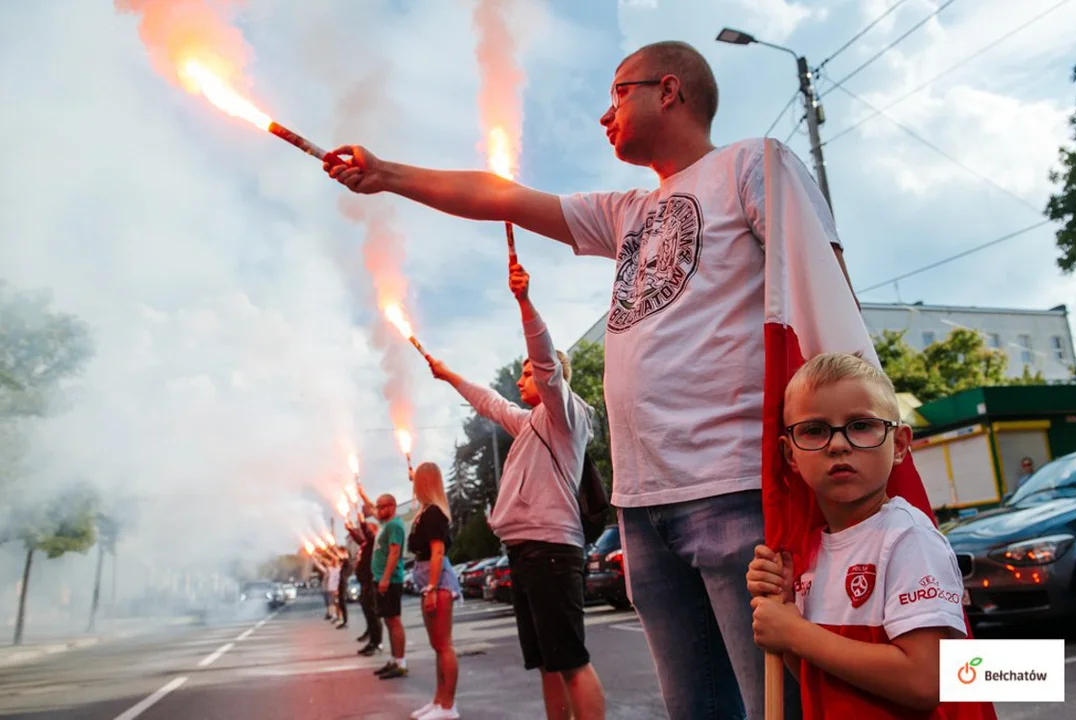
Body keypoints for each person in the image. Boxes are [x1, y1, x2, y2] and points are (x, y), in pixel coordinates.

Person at [327, 39, 851, 718]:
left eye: (617, 95)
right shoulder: (626, 213)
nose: (604, 116)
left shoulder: (753, 164)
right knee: (694, 708)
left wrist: (846, 451)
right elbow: (501, 196)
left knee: (778, 706)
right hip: (643, 509)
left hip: (735, 490)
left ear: (669, 89)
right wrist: (390, 174)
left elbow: (825, 294)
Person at [746, 353, 986, 718]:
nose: (838, 444)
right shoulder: (807, 552)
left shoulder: (908, 537)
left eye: (861, 425)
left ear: (901, 444)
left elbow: (925, 682)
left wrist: (794, 632)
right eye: (814, 430)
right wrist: (784, 612)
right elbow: (818, 676)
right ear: (789, 454)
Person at [427, 261, 605, 720]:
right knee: (549, 662)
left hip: (551, 549)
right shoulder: (528, 424)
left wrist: (525, 302)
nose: (523, 379)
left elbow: (546, 362)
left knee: (571, 660)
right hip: (524, 551)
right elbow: (490, 401)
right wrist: (449, 376)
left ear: (552, 380)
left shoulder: (567, 418)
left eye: (529, 373)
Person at [407, 462, 463, 720]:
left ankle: (448, 706)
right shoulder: (428, 511)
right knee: (438, 645)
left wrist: (431, 587)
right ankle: (439, 701)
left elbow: (437, 551)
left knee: (444, 645)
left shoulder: (433, 514)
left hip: (436, 580)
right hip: (430, 578)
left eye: (417, 481)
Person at [371, 493, 408, 679]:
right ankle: (394, 659)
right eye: (378, 507)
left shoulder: (394, 525)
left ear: (393, 506)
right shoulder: (384, 525)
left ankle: (400, 662)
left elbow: (394, 553)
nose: (379, 510)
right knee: (388, 620)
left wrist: (385, 578)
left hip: (390, 580)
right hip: (381, 579)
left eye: (383, 506)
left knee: (394, 620)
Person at [347, 512, 383, 655]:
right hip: (365, 583)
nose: (364, 532)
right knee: (368, 613)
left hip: (371, 581)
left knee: (374, 614)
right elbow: (360, 538)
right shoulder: (365, 544)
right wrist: (350, 529)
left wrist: (362, 522)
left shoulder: (374, 542)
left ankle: (377, 643)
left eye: (367, 529)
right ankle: (372, 640)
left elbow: (367, 535)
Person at [335, 545, 351, 629]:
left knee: (342, 602)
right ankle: (344, 621)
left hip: (344, 584)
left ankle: (345, 621)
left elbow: (342, 556)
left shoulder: (347, 561)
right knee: (341, 602)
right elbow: (337, 557)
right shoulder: (343, 562)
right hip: (341, 584)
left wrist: (334, 547)